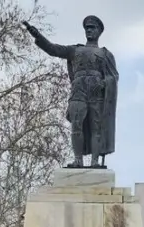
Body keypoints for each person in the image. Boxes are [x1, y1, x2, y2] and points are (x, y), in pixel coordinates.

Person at [23, 15, 118, 169]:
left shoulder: (106, 54)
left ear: (99, 31)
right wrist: (37, 35)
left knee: (96, 128)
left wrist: (103, 82)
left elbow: (114, 77)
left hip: (96, 93)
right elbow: (53, 49)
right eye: (87, 27)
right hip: (78, 91)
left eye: (92, 27)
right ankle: (78, 160)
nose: (89, 30)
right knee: (76, 126)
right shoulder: (75, 50)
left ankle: (94, 162)